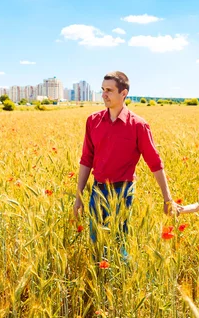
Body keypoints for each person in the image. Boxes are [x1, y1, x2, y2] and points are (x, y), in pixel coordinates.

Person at [73, 71, 174, 248]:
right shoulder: (92, 121)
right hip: (97, 190)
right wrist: (79, 196)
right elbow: (86, 160)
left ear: (123, 93)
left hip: (123, 192)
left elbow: (155, 163)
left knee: (120, 244)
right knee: (95, 244)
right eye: (103, 89)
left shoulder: (138, 125)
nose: (104, 94)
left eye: (109, 90)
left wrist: (167, 198)